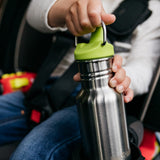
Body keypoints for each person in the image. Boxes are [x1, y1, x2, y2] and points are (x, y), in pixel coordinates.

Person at [9, 0, 160, 159]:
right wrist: (67, 9)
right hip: (42, 88)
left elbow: (145, 67)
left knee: (29, 153)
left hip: (97, 98)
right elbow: (35, 11)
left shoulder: (153, 10)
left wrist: (120, 77)